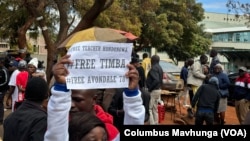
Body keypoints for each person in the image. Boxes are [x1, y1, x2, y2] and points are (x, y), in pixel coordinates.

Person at [44, 54, 145, 141]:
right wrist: (60, 90)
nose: (71, 105)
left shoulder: (111, 132)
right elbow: (56, 132)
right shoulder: (62, 126)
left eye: (104, 139)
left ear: (94, 100)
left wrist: (132, 96)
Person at [146, 55, 163, 125]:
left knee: (149, 108)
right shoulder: (160, 67)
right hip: (158, 90)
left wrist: (149, 89)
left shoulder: (154, 68)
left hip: (154, 90)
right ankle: (156, 123)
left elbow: (156, 80)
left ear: (153, 60)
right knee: (154, 108)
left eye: (151, 59)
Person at [0, 58, 9, 124]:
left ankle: (0, 119)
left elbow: (6, 81)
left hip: (2, 90)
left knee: (0, 103)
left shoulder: (4, 70)